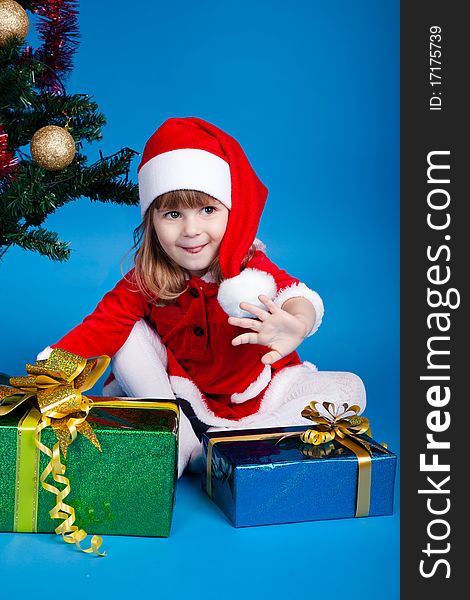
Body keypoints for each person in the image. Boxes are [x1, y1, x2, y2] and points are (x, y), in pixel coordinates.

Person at [37, 117, 366, 476]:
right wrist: (47, 374)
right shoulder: (147, 279)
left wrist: (297, 323)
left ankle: (235, 442)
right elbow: (100, 327)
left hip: (257, 398)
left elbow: (295, 294)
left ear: (230, 212)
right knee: (125, 334)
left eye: (207, 210)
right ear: (151, 221)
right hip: (181, 396)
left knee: (350, 390)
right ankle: (179, 436)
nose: (191, 230)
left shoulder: (249, 267)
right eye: (173, 214)